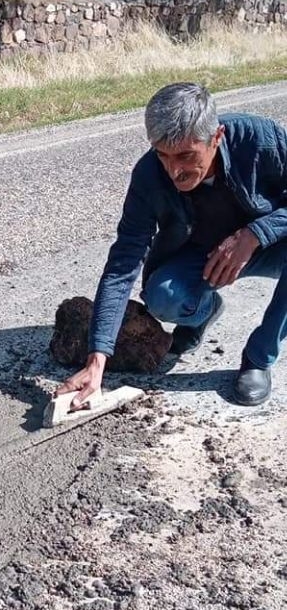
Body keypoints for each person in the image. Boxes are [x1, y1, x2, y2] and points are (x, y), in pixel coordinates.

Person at [57, 82, 287, 410]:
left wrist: (255, 233)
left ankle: (259, 358)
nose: (174, 170)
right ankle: (203, 314)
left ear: (217, 137)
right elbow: (124, 260)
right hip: (203, 253)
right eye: (163, 154)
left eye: (186, 155)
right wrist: (97, 361)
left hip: (272, 243)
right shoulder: (149, 175)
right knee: (164, 297)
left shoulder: (259, 139)